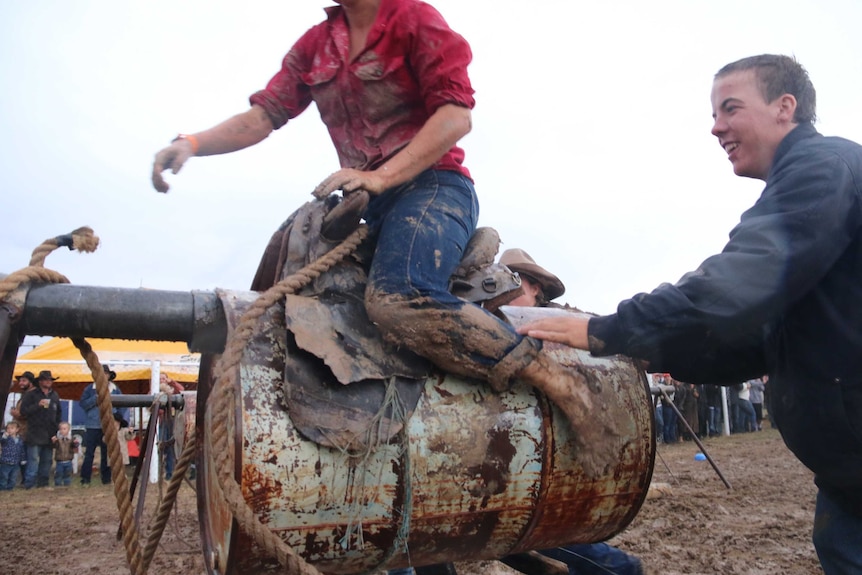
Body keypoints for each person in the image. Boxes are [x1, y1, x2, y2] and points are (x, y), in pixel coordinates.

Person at [150, 0, 607, 475]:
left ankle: (558, 382)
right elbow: (262, 117)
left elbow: (455, 118)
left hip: (435, 188)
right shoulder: (315, 46)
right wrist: (192, 143)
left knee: (397, 299)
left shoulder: (414, 19)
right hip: (374, 202)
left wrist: (381, 177)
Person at [519, 54, 862, 574]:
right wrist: (644, 350)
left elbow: (737, 281)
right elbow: (755, 340)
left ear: (784, 107)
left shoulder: (822, 169)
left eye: (730, 108)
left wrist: (606, 330)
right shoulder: (801, 188)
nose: (715, 126)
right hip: (845, 474)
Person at [390, 249, 644, 575]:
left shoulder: (557, 330)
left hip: (536, 463)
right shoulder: (487, 326)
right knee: (432, 532)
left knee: (541, 528)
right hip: (475, 457)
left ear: (535, 287)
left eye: (514, 282)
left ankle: (623, 571)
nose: (498, 291)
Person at [79, 365, 127, 486]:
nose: (104, 376)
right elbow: (83, 404)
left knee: (107, 454)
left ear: (109, 375)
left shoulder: (115, 389)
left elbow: (124, 404)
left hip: (109, 425)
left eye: (106, 373)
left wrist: (118, 417)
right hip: (92, 425)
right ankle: (85, 479)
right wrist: (95, 399)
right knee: (89, 453)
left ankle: (106, 479)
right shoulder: (89, 389)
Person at [19, 370, 61, 489]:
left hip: (49, 433)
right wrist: (37, 405)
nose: (48, 382)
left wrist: (55, 432)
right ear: (40, 381)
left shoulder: (54, 395)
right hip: (35, 432)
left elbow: (58, 414)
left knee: (47, 461)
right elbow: (23, 411)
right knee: (33, 460)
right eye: (46, 380)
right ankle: (29, 484)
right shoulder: (31, 395)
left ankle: (43, 484)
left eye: (50, 380)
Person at [9, 371, 36, 483]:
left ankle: (27, 479)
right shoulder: (24, 394)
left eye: (24, 380)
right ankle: (24, 479)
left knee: (27, 457)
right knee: (21, 456)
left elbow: (34, 412)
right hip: (21, 430)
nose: (21, 383)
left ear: (30, 382)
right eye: (20, 381)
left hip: (27, 431)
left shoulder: (33, 394)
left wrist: (18, 415)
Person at [158, 372, 184, 480]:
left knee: (171, 448)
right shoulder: (155, 390)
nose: (162, 380)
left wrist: (172, 382)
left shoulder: (172, 390)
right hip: (162, 421)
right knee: (160, 445)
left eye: (164, 378)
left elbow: (182, 390)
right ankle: (158, 471)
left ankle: (169, 473)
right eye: (160, 378)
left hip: (172, 421)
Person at [0, 421, 26, 490]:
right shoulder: (6, 438)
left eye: (12, 428)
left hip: (16, 462)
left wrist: (23, 459)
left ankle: (10, 489)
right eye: (8, 428)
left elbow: (22, 450)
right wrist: (4, 436)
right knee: (4, 476)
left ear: (17, 429)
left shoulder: (20, 440)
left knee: (13, 477)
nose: (9, 430)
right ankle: (2, 489)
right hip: (6, 461)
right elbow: (2, 442)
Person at [51, 421, 78, 487]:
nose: (62, 431)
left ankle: (67, 485)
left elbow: (75, 447)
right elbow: (55, 446)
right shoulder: (58, 440)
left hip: (68, 461)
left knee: (67, 474)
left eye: (64, 429)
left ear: (68, 430)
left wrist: (75, 443)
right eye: (61, 429)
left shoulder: (71, 439)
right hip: (60, 461)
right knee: (58, 474)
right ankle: (58, 485)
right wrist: (54, 442)